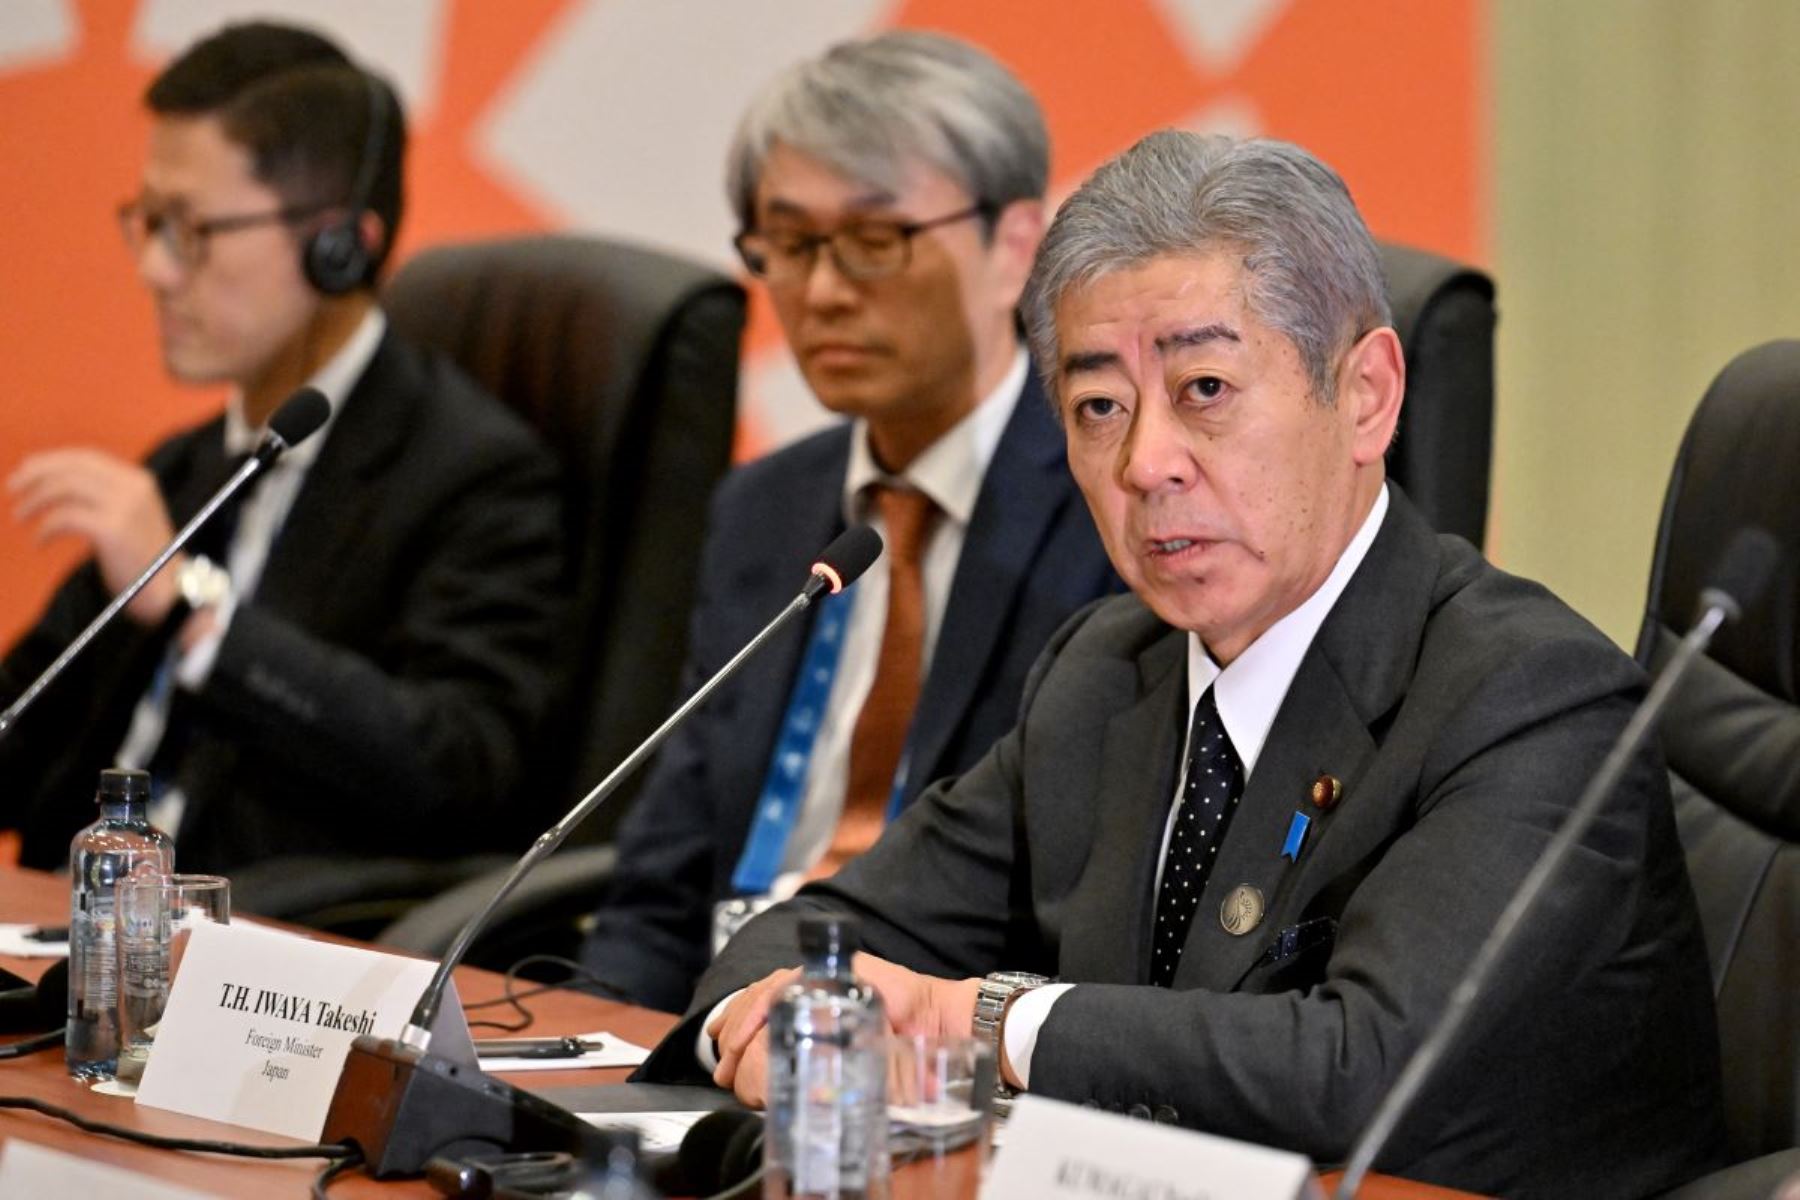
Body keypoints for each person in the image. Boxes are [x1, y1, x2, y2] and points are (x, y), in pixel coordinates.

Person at [637, 132, 1726, 1199]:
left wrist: (979, 1019)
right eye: (1099, 407)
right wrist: (788, 1009)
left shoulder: (1529, 698)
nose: (1146, 463)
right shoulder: (1106, 674)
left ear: (1366, 398)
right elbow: (817, 938)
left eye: (1205, 388)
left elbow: (1361, 1072)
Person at [579, 31, 1117, 1014]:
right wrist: (588, 1071)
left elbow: (1072, 906)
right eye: (789, 246)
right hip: (721, 1035)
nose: (822, 291)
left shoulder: (1113, 504)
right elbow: (662, 887)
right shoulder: (765, 508)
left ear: (1015, 247)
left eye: (877, 241)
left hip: (937, 1046)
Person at [0, 23, 563, 875]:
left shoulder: (477, 477)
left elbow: (462, 767)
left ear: (340, 247)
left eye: (190, 228)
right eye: (148, 222)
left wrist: (193, 606)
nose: (155, 268)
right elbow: (21, 729)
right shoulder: (183, 470)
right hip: (76, 945)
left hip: (279, 965)